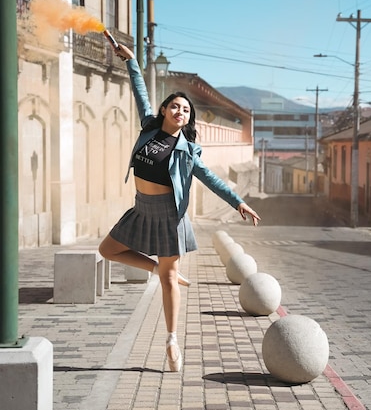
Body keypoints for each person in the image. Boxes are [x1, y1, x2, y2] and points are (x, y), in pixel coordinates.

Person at [99, 43, 261, 372]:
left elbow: (212, 179)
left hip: (168, 217)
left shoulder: (188, 152)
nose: (180, 112)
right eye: (175, 107)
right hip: (140, 208)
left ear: (188, 118)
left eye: (185, 110)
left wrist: (238, 201)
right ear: (164, 110)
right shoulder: (149, 127)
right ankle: (158, 268)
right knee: (108, 249)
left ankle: (172, 341)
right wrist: (131, 61)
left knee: (169, 280)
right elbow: (139, 92)